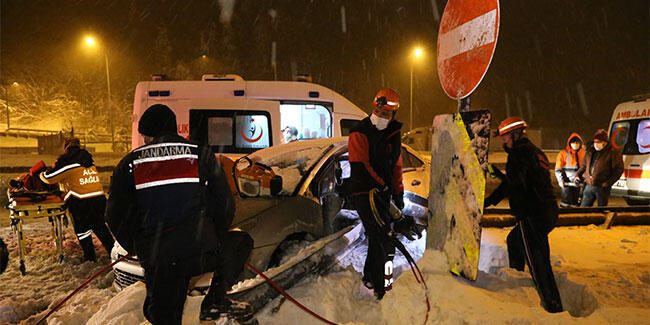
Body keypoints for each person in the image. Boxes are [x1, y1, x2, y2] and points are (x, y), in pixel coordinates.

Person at [106, 104, 253, 324]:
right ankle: (215, 300)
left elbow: (114, 215)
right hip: (197, 249)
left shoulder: (130, 163)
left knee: (165, 316)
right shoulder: (200, 154)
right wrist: (211, 234)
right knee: (240, 241)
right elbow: (224, 204)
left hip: (159, 258)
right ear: (174, 129)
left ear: (149, 134)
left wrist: (139, 248)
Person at [346, 88, 421, 300]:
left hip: (383, 193)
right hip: (365, 192)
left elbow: (396, 166)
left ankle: (370, 278)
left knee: (380, 237)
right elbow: (361, 165)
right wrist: (382, 186)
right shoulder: (359, 132)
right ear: (373, 108)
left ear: (393, 115)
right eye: (380, 113)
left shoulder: (392, 134)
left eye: (387, 115)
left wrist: (398, 192)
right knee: (385, 240)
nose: (382, 117)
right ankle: (383, 288)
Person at [484, 117, 563, 313]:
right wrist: (502, 176)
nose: (504, 142)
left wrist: (488, 201)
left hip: (532, 214)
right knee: (514, 240)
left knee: (538, 263)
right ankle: (518, 276)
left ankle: (552, 305)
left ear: (515, 135)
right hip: (547, 210)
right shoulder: (534, 152)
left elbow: (514, 184)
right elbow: (521, 179)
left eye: (505, 138)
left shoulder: (519, 153)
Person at [40, 138, 114, 262]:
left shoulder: (68, 160)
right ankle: (114, 254)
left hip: (81, 201)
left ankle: (90, 258)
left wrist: (40, 174)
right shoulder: (88, 160)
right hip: (99, 199)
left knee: (83, 231)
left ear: (66, 148)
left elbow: (49, 177)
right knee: (100, 228)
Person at [575, 129, 624, 207]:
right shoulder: (590, 152)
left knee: (601, 209)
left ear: (605, 142)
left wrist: (608, 183)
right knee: (584, 208)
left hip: (602, 187)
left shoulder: (613, 153)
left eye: (599, 142)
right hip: (589, 185)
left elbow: (618, 170)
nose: (596, 144)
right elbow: (584, 166)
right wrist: (577, 175)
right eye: (595, 142)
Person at [555, 133, 585, 206]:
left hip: (579, 184)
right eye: (573, 142)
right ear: (569, 143)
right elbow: (558, 169)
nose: (575, 144)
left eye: (577, 142)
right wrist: (560, 181)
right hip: (567, 183)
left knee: (576, 203)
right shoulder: (563, 154)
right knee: (566, 202)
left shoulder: (584, 153)